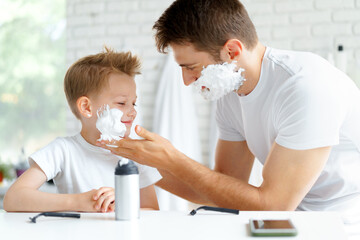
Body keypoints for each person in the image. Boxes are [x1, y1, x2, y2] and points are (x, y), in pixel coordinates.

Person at [97, 0, 360, 216]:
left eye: (190, 67)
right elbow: (222, 190)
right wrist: (141, 162)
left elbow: (274, 206)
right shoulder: (231, 92)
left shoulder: (306, 88)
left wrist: (173, 159)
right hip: (295, 218)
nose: (187, 81)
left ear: (232, 51)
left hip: (343, 222)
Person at [4, 48, 161, 212]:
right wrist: (78, 202)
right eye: (122, 103)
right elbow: (13, 198)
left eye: (133, 103)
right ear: (86, 107)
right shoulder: (63, 150)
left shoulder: (137, 154)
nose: (133, 111)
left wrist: (123, 203)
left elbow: (151, 209)